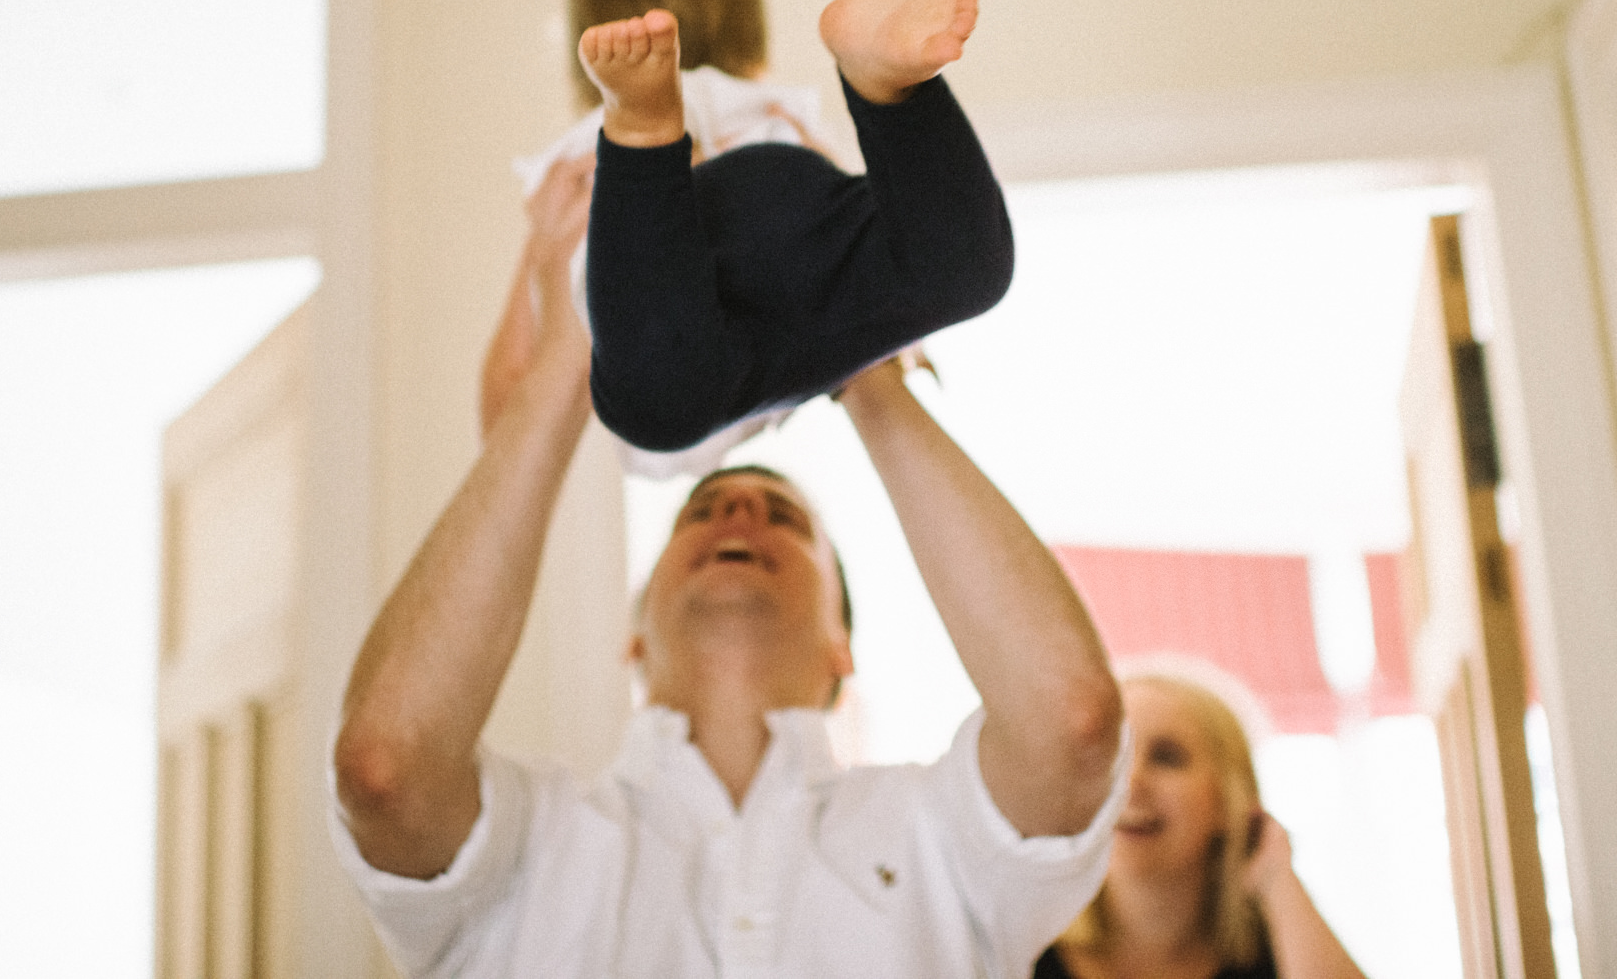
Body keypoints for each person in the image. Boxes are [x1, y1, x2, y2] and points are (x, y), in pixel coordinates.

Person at [335, 154, 1126, 977]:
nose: (739, 514)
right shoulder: (532, 844)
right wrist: (577, 339)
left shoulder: (941, 841)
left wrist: (860, 353)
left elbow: (1070, 721)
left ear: (841, 649)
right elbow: (384, 765)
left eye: (782, 518)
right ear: (631, 638)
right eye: (701, 515)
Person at [490, 0, 1014, 474]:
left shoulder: (572, 174)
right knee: (956, 269)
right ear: (752, 38)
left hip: (651, 237)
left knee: (662, 405)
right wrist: (900, 331)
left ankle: (645, 139)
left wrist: (540, 253)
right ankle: (889, 94)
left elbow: (502, 422)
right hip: (775, 179)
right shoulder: (773, 115)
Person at [1036, 667, 1370, 979]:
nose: (1132, 781)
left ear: (1229, 801)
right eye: (1113, 755)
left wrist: (1277, 877)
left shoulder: (1277, 952)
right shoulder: (1021, 950)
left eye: (1167, 757)